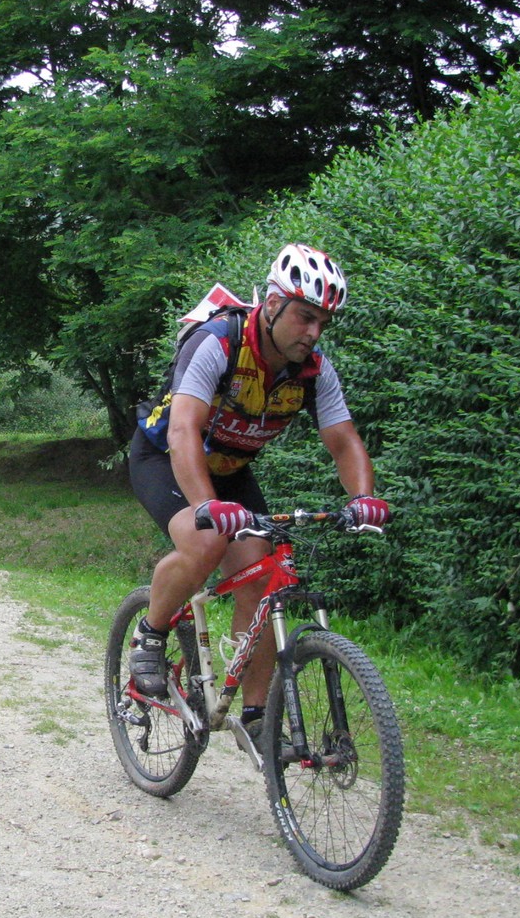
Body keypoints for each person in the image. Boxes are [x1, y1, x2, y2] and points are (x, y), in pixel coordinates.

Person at [126, 243, 391, 741]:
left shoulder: (314, 370)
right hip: (165, 458)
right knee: (206, 541)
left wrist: (363, 497)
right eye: (305, 317)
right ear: (272, 305)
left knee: (263, 575)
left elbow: (343, 441)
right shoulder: (218, 342)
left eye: (323, 322)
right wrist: (206, 506)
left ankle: (255, 717)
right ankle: (151, 634)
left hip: (230, 470)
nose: (313, 332)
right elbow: (183, 430)